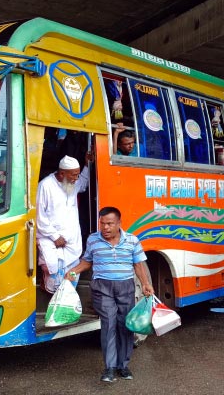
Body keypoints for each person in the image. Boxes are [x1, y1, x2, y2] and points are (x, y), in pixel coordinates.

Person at [65, 206, 154, 383]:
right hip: (102, 288)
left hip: (125, 287)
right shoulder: (93, 240)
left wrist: (145, 284)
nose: (105, 228)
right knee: (108, 324)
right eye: (102, 223)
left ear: (119, 223)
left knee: (124, 325)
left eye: (109, 224)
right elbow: (87, 261)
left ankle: (123, 365)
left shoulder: (132, 241)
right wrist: (73, 271)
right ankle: (110, 368)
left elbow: (138, 265)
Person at [36, 154, 92, 293]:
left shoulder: (71, 183)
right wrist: (55, 236)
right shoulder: (45, 185)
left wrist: (86, 165)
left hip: (71, 237)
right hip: (50, 237)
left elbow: (83, 184)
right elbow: (39, 216)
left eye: (77, 175)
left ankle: (66, 298)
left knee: (72, 271)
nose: (76, 178)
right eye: (74, 175)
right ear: (62, 173)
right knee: (53, 270)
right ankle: (50, 293)